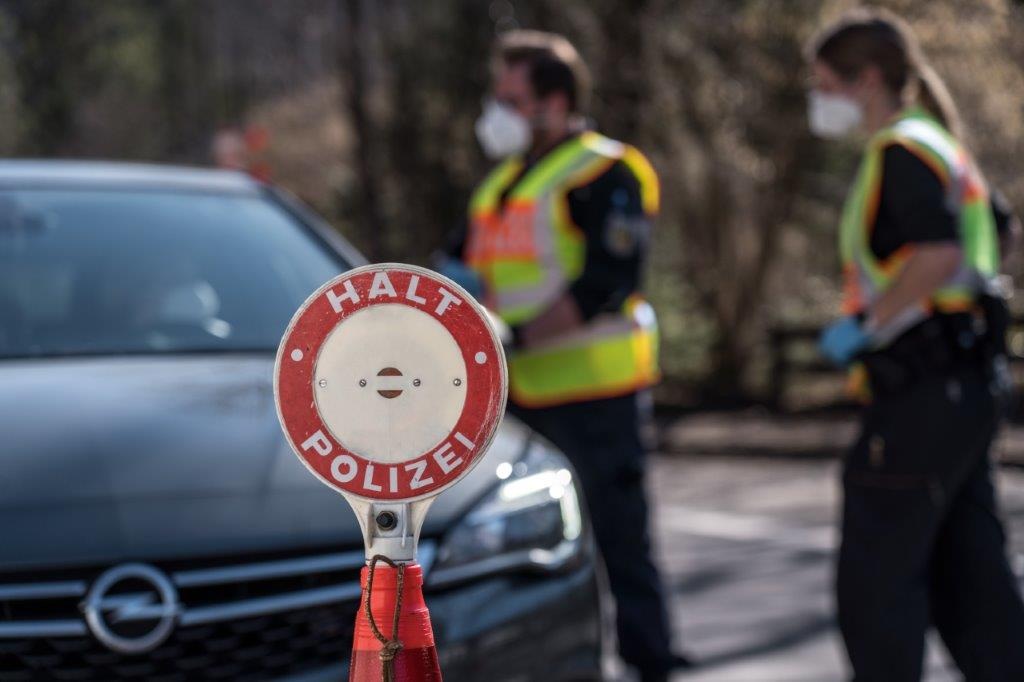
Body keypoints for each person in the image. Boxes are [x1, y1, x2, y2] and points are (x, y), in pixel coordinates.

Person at [438, 29, 691, 682]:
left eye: (511, 97)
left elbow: (610, 279)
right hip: (520, 399)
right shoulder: (500, 185)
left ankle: (651, 660)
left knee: (620, 542)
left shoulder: (604, 170)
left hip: (595, 390)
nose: (497, 110)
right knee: (527, 546)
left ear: (554, 102)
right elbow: (460, 265)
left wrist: (515, 336)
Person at [809, 9, 1024, 681]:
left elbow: (934, 253)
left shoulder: (900, 151)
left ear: (866, 80)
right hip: (967, 381)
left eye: (824, 86)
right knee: (973, 575)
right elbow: (1001, 234)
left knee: (878, 582)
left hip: (921, 389)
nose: (819, 103)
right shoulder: (941, 143)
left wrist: (868, 324)